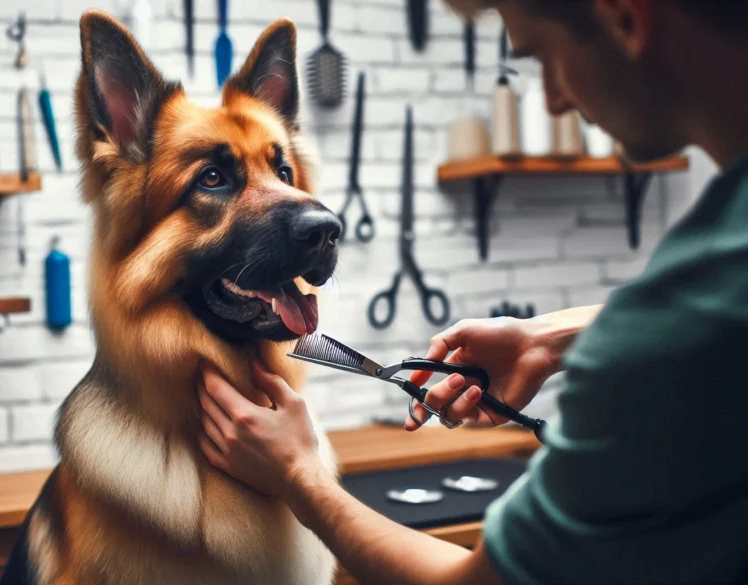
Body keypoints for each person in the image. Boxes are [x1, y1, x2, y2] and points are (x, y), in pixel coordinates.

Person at [196, 0, 748, 583]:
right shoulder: (716, 280)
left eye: (543, 59)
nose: (557, 100)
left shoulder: (681, 326)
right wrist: (549, 338)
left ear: (626, 19)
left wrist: (298, 477)